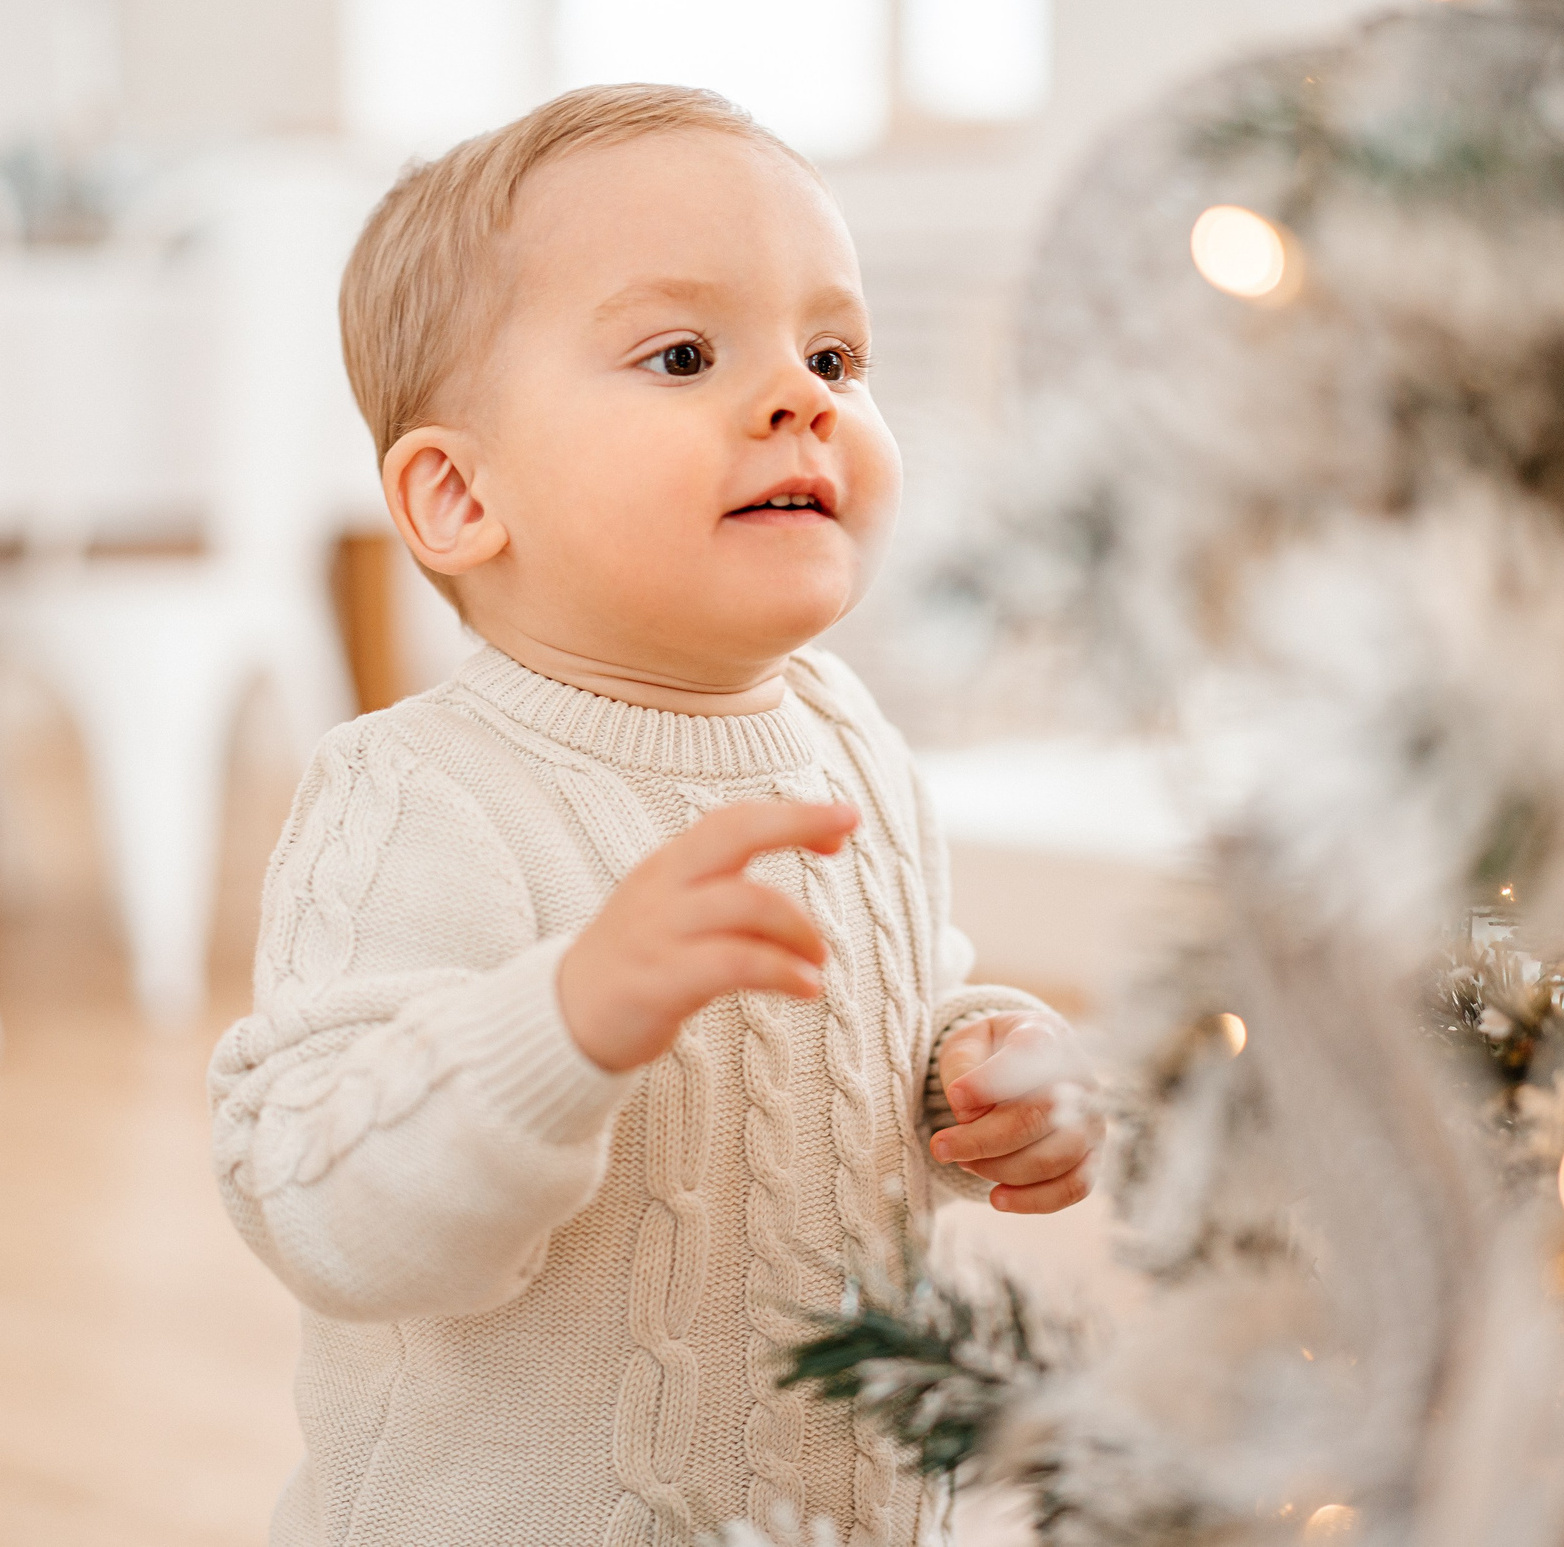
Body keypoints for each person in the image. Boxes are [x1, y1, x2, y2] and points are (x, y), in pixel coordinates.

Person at [209, 84, 1102, 1547]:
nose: (802, 397)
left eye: (835, 351)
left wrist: (970, 1071)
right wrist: (561, 1022)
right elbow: (316, 1202)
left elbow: (876, 1026)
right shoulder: (420, 793)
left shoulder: (846, 740)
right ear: (455, 496)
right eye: (685, 354)